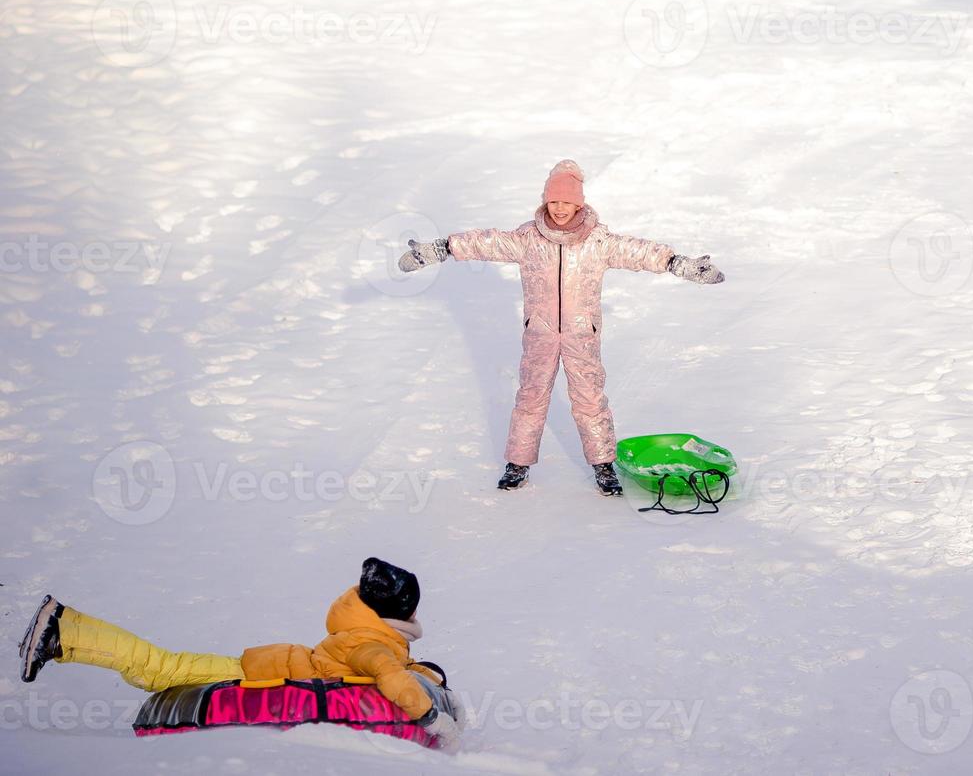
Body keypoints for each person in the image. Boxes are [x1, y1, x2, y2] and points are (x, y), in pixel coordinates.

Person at [397, 159, 726, 495]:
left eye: (567, 202)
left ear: (579, 203)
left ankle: (603, 465)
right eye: (554, 201)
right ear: (545, 202)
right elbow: (485, 242)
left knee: (590, 399)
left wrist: (678, 263)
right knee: (531, 396)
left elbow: (639, 252)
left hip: (582, 336)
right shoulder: (528, 239)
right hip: (539, 334)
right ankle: (518, 463)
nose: (560, 209)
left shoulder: (597, 241)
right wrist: (439, 249)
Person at [17, 558, 460, 748]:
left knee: (159, 671)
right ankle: (63, 629)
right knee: (158, 670)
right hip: (254, 675)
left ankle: (66, 634)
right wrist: (433, 719)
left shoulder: (362, 629)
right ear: (399, 612)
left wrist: (431, 676)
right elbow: (391, 676)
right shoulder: (371, 644)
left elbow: (400, 668)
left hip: (262, 666)